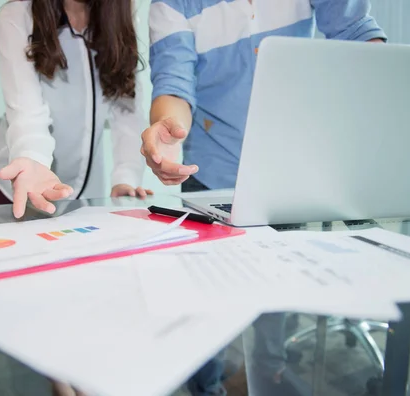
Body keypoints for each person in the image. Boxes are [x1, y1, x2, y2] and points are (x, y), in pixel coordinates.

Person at [141, 1, 386, 395]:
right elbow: (174, 81)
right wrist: (168, 129)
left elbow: (355, 31)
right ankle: (208, 388)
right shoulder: (173, 6)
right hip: (212, 177)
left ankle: (266, 371)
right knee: (207, 303)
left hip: (286, 169)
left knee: (275, 295)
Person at [0, 0, 152, 220]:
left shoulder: (118, 18)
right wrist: (33, 160)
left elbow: (127, 109)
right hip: (25, 180)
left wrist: (126, 177)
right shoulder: (18, 15)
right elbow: (26, 111)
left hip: (86, 190)